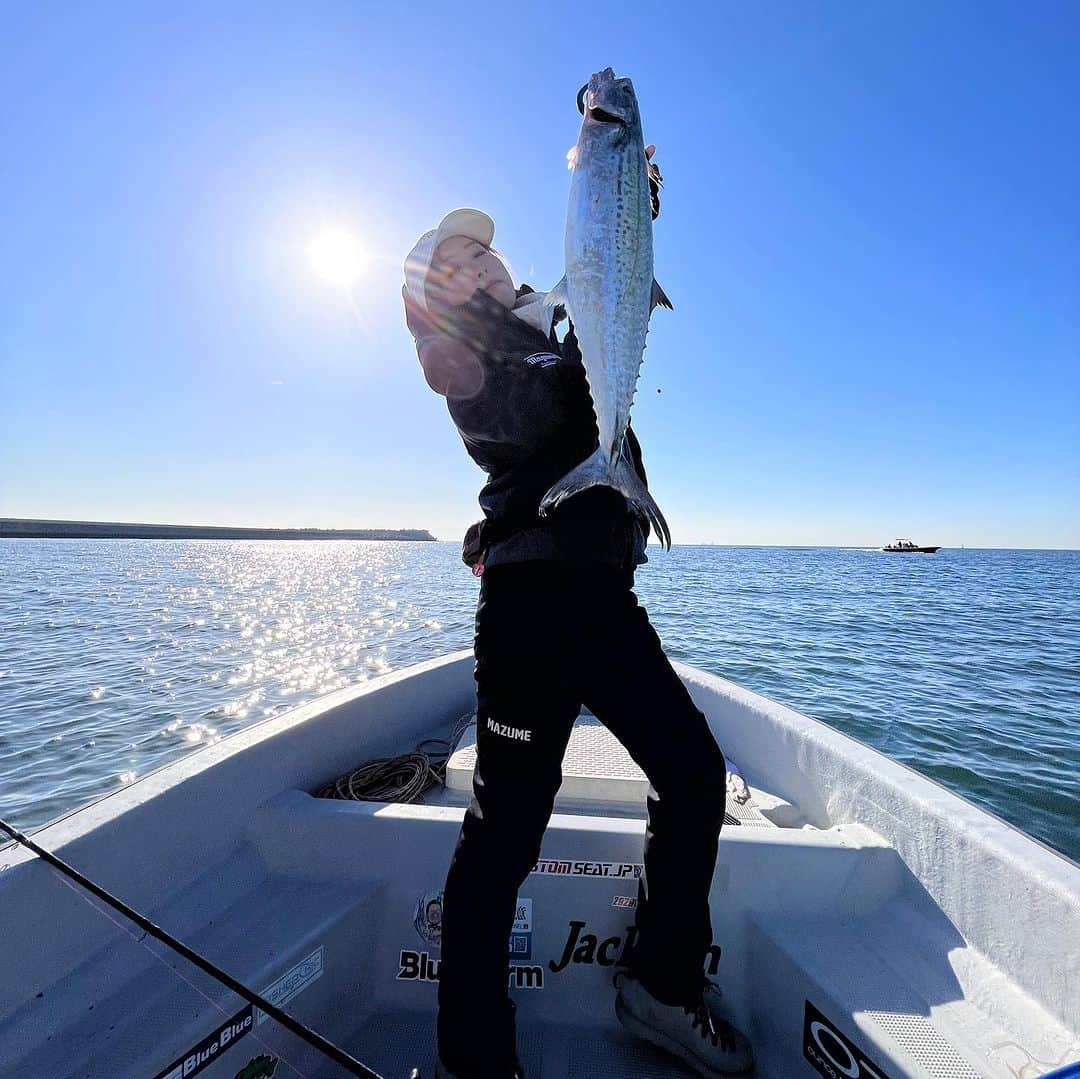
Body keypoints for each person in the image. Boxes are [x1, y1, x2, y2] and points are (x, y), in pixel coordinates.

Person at [402, 140, 754, 1079]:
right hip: (525, 610)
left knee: (695, 777)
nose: (473, 263)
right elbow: (523, 423)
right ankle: (476, 1062)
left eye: (479, 251)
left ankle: (660, 987)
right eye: (449, 264)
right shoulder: (458, 350)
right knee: (504, 836)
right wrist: (578, 331)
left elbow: (607, 280)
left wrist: (629, 211)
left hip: (606, 598)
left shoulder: (555, 316)